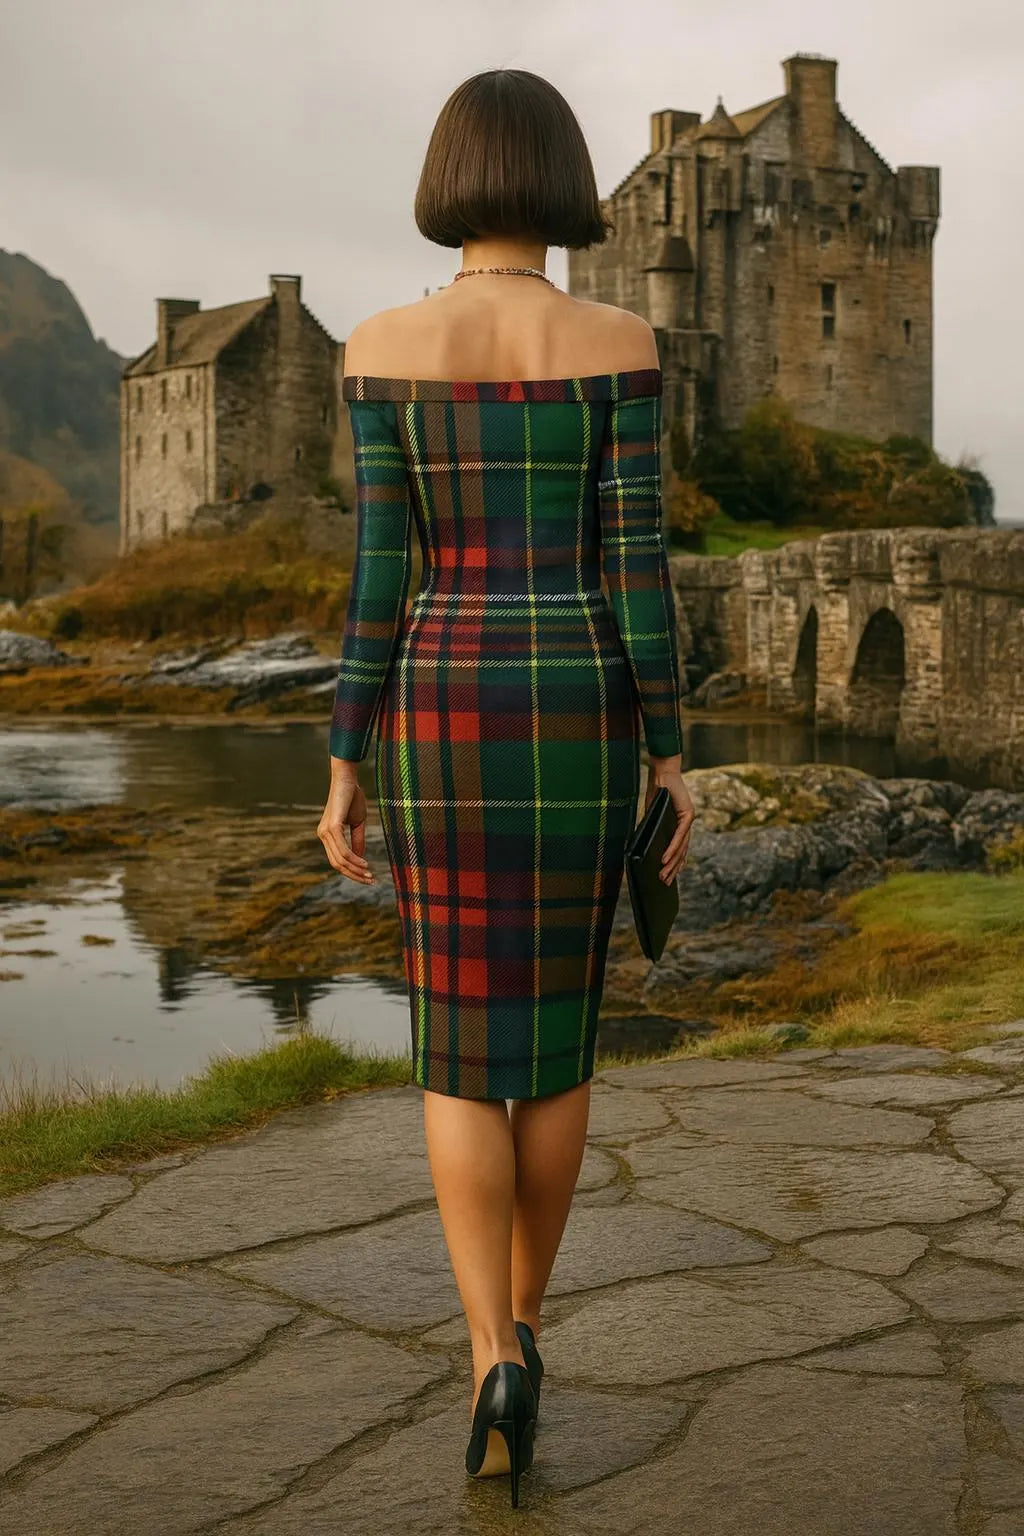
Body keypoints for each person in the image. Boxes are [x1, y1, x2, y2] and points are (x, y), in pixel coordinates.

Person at [317, 66, 696, 1509]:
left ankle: (486, 1349)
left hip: (436, 704)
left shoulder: (380, 344)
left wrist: (346, 757)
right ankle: (528, 1325)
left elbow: (376, 582)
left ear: (449, 177)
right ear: (562, 178)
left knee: (457, 1038)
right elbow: (636, 569)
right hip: (582, 704)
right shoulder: (617, 338)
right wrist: (669, 754)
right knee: (562, 1029)